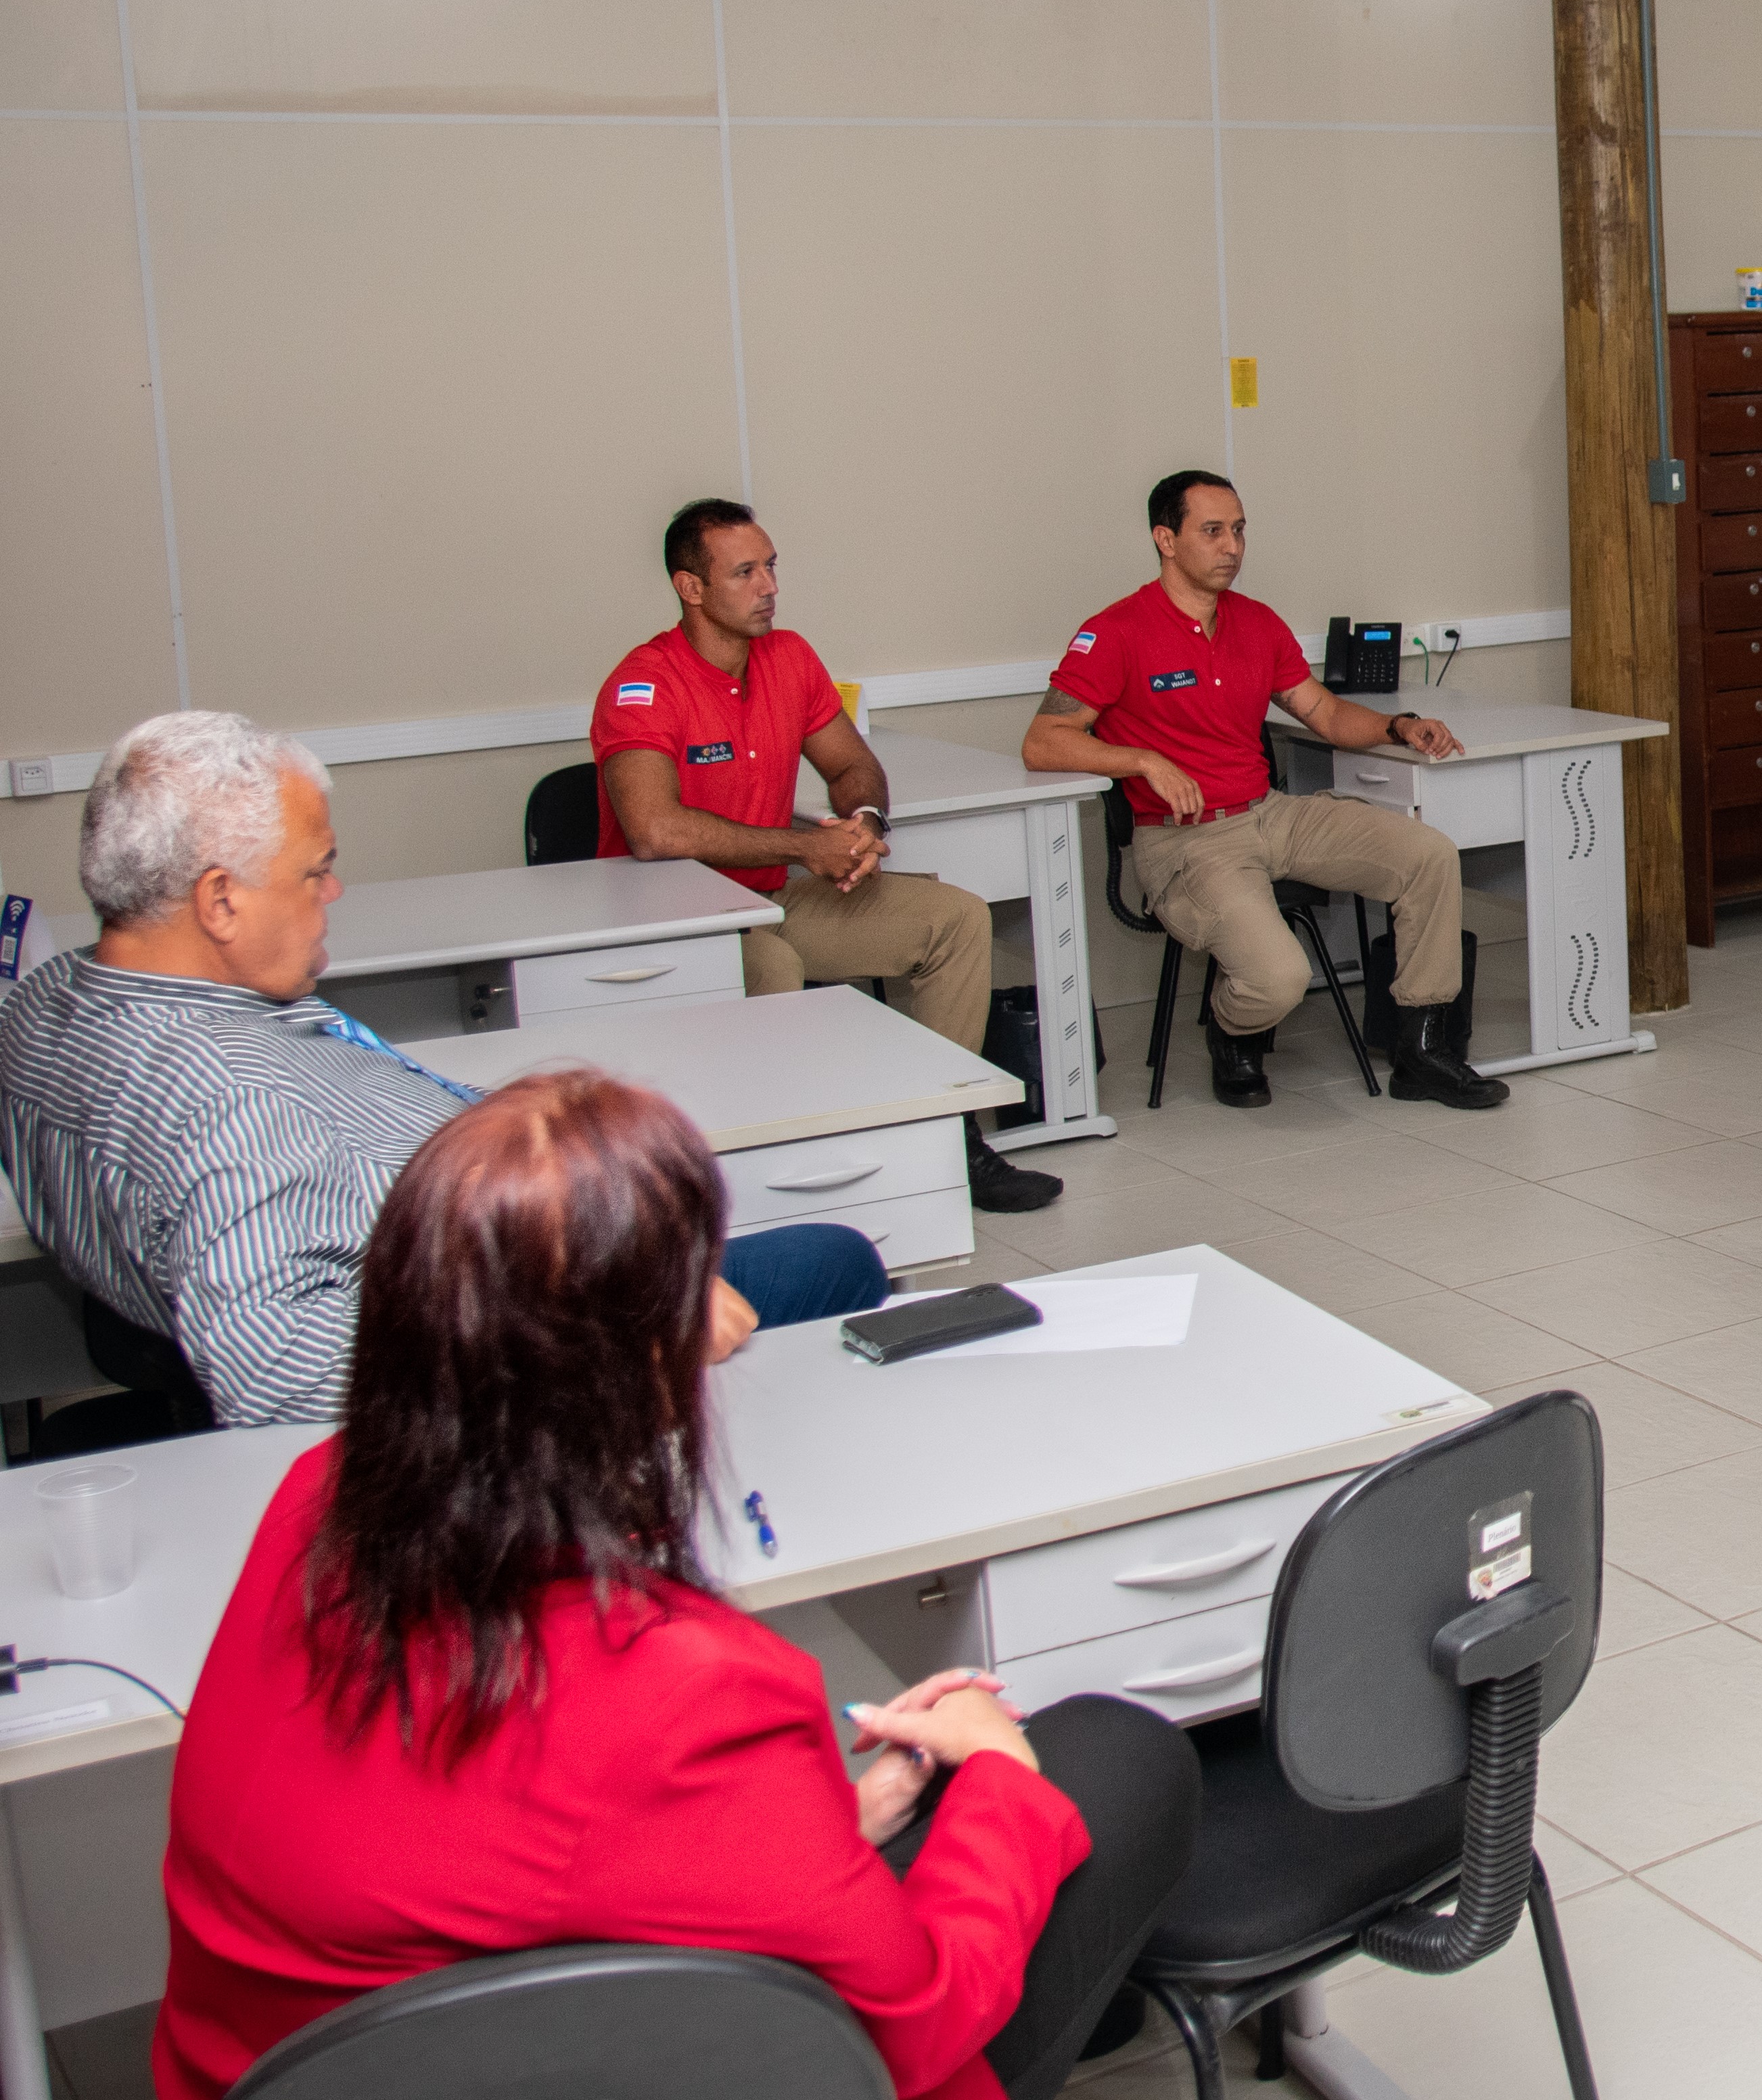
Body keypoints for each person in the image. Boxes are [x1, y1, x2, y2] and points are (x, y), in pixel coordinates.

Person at [152, 1070, 1201, 2100]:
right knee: (1115, 1756)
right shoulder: (689, 1689)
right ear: (649, 1355)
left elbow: (513, 1859)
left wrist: (838, 1818)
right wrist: (999, 1779)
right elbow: (910, 2029)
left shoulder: (314, 1501)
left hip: (291, 2065)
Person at [0, 713, 888, 1430]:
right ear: (220, 900)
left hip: (473, 1240)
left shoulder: (46, 1004)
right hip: (527, 1313)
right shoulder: (239, 1101)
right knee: (834, 1259)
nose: (334, 894)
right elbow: (276, 1376)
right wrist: (619, 1337)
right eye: (315, 873)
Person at [596, 499, 1060, 1213]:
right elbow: (655, 830)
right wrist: (806, 845)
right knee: (776, 966)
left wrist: (863, 824)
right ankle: (785, 1174)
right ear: (691, 588)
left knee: (958, 919)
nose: (768, 587)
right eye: (744, 572)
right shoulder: (645, 683)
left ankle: (947, 1139)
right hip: (684, 921)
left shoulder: (790, 658)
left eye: (772, 567)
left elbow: (853, 765)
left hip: (775, 895)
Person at [1023, 471, 1504, 1112]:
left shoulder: (1256, 623)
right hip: (1186, 841)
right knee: (1281, 979)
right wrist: (1142, 761)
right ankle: (1232, 1034)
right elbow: (1043, 741)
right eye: (1213, 531)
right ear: (1166, 539)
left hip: (1270, 814)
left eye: (1240, 530)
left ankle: (1420, 1050)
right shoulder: (1116, 632)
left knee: (1429, 856)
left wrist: (1398, 725)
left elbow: (1327, 715)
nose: (1233, 547)